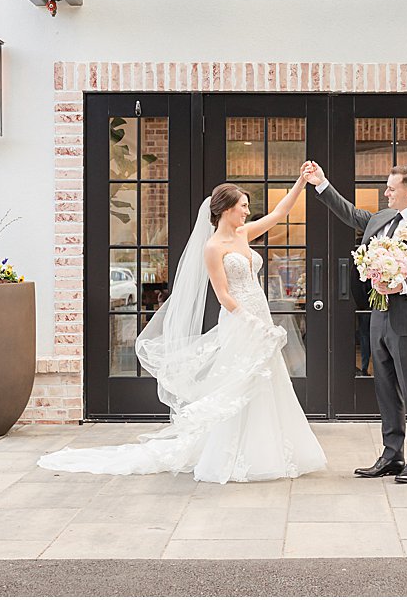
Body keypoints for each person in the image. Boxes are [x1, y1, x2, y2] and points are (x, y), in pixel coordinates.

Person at [38, 175, 325, 483]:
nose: (246, 211)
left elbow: (279, 214)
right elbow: (224, 294)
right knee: (238, 384)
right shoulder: (213, 247)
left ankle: (272, 451)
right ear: (226, 208)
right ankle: (234, 455)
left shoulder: (243, 234)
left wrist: (300, 182)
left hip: (261, 316)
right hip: (240, 321)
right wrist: (250, 322)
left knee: (269, 381)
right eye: (243, 206)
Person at [305, 161, 407, 484]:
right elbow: (351, 214)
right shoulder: (382, 219)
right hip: (379, 318)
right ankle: (391, 455)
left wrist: (404, 286)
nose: (386, 193)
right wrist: (321, 184)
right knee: (385, 391)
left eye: (391, 188)